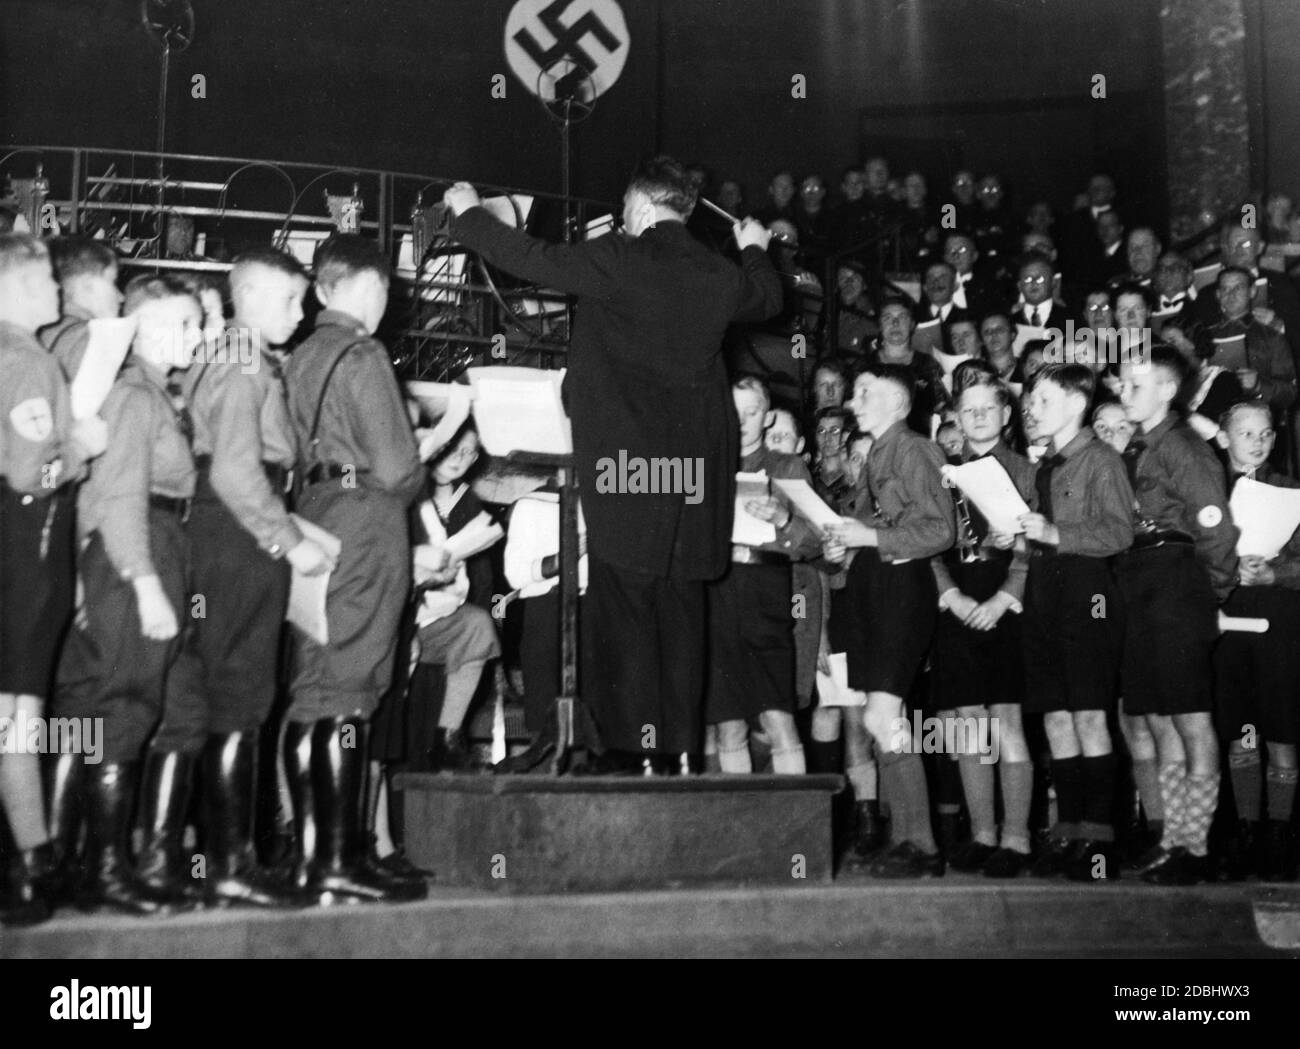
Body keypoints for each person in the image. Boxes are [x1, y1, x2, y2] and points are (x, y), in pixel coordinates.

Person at [445, 157, 782, 773]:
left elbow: (532, 257)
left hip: (628, 470)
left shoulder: (620, 259)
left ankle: (631, 755)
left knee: (623, 604)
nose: (623, 221)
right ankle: (678, 753)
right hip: (693, 478)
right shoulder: (719, 273)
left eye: (627, 211)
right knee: (681, 612)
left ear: (646, 208)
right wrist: (753, 247)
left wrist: (468, 212)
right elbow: (768, 296)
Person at [145, 248, 327, 910]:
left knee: (226, 693)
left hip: (223, 530)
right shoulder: (246, 359)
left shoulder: (228, 354)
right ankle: (230, 863)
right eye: (289, 300)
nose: (301, 312)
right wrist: (288, 539)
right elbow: (232, 469)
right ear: (247, 295)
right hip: (240, 532)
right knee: (242, 693)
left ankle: (221, 859)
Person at [283, 234, 426, 903]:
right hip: (364, 519)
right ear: (352, 288)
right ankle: (342, 857)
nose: (384, 301)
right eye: (381, 289)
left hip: (310, 510)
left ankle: (311, 857)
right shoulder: (363, 353)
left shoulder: (299, 354)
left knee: (315, 687)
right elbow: (398, 469)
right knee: (353, 690)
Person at [53, 275, 201, 915]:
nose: (199, 337)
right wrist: (146, 586)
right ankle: (105, 872)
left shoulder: (146, 393)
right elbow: (118, 497)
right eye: (187, 323)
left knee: (102, 709)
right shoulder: (138, 396)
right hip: (137, 548)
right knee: (124, 706)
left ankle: (79, 865)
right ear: (144, 327)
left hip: (133, 548)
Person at [0, 234, 101, 925]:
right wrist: (80, 449)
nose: (56, 291)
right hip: (28, 539)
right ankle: (29, 865)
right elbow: (30, 470)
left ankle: (32, 856)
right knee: (19, 717)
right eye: (41, 280)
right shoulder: (27, 359)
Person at [823, 365, 956, 877]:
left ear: (899, 405)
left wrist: (869, 538)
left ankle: (921, 845)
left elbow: (939, 530)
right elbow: (878, 527)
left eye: (865, 393)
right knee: (883, 722)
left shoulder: (915, 450)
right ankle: (905, 837)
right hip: (873, 592)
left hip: (902, 594)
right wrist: (847, 540)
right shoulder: (878, 453)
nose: (854, 401)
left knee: (885, 719)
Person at [1004, 363, 1134, 881]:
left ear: (1076, 405)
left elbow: (1120, 532)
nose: (1031, 409)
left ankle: (1099, 844)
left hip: (1087, 595)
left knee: (1087, 715)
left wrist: (1056, 533)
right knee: (1056, 717)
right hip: (1044, 594)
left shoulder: (1102, 459)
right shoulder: (1045, 467)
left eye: (1042, 400)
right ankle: (1070, 831)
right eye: (1030, 400)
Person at [1117, 345, 1238, 884]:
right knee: (1158, 716)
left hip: (1177, 581)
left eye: (1135, 387)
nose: (1124, 395)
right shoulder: (1138, 447)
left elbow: (1215, 528)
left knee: (1190, 717)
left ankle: (1197, 843)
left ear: (1167, 390)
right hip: (1140, 583)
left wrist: (1207, 593)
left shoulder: (1186, 447)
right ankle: (1171, 838)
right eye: (1121, 386)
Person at [932, 374, 1037, 877]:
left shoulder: (1024, 469)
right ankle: (982, 834)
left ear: (1006, 414)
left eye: (986, 408)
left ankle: (1016, 840)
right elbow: (927, 543)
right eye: (966, 409)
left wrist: (1006, 597)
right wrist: (947, 595)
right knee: (969, 723)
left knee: (1007, 721)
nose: (976, 416)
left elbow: (1032, 546)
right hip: (957, 600)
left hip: (1004, 601)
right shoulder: (944, 473)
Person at [708, 377, 824, 774]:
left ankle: (798, 826)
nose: (741, 422)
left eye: (752, 412)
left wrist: (784, 518)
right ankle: (738, 828)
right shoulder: (703, 465)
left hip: (767, 595)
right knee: (729, 726)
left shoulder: (787, 466)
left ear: (768, 416)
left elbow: (816, 543)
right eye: (733, 411)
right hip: (715, 595)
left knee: (779, 721)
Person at [1214, 402, 1300, 880]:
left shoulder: (1289, 489)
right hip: (1229, 617)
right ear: (1224, 438)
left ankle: (1281, 834)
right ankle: (1246, 830)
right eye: (1246, 434)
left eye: (1266, 434)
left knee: (1282, 725)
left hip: (1280, 614)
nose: (1258, 443)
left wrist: (1277, 571)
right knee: (1241, 726)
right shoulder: (1207, 487)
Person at [409, 423, 501, 772]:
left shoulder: (468, 501)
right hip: (400, 609)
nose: (458, 459)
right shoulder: (407, 489)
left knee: (478, 626)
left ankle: (448, 737)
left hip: (439, 609)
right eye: (451, 449)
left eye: (468, 453)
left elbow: (476, 579)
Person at [38, 237, 123, 377]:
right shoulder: (89, 338)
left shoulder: (43, 330)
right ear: (87, 286)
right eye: (113, 282)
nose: (121, 297)